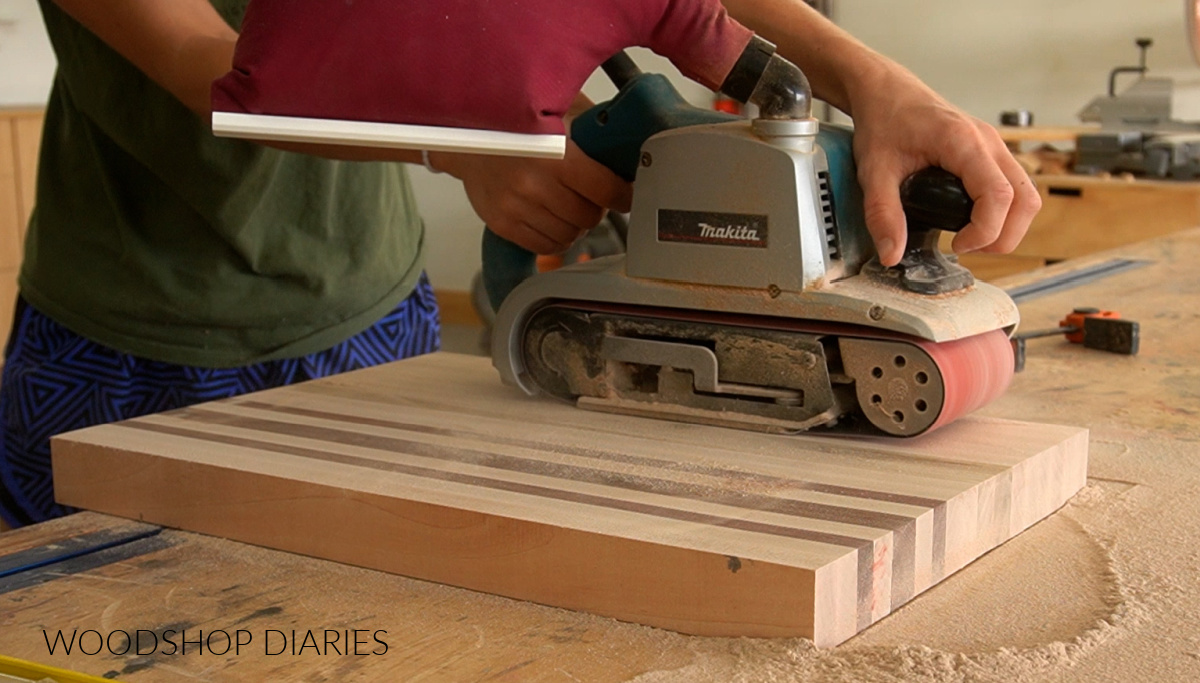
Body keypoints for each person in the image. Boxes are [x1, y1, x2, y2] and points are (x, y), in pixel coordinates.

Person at [0, 0, 1039, 528]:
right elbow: (207, 67)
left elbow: (681, 8)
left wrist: (873, 79)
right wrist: (460, 145)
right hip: (130, 334)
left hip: (369, 309)